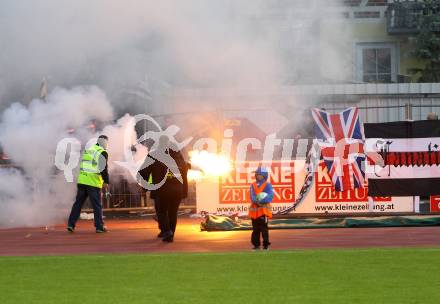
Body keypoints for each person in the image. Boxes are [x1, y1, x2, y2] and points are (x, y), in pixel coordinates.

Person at [137, 136, 190, 242]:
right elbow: (184, 171)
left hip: (162, 189)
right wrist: (184, 190)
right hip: (177, 189)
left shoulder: (154, 155)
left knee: (161, 211)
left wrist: (144, 187)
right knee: (172, 212)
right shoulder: (178, 155)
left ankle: (167, 232)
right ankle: (170, 233)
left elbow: (144, 172)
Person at [67, 135, 110, 233]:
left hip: (82, 181)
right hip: (93, 182)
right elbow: (103, 169)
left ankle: (71, 224)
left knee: (78, 204)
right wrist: (106, 182)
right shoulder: (102, 152)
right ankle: (99, 227)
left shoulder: (89, 150)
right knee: (97, 205)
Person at [249, 167, 274, 250]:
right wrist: (257, 200)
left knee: (264, 229)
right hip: (254, 213)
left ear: (263, 175)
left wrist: (259, 200)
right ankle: (256, 245)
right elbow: (252, 197)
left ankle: (266, 245)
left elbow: (270, 197)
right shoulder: (253, 185)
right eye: (256, 174)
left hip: (264, 212)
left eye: (258, 174)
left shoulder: (268, 185)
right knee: (255, 229)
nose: (256, 175)